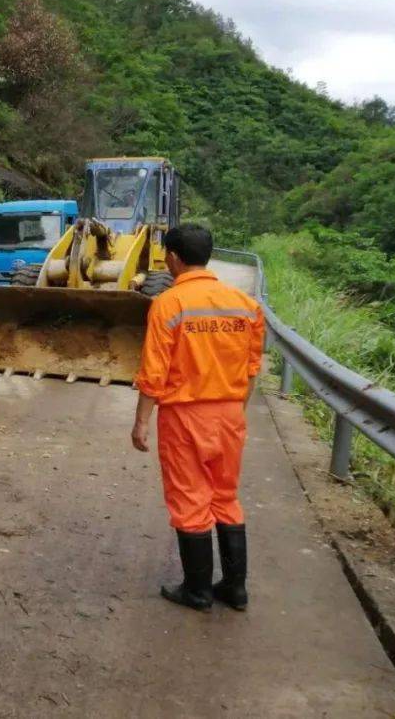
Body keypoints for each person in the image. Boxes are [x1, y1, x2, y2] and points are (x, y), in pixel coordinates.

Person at [131, 223, 265, 612]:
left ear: (172, 257)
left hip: (185, 415)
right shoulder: (245, 304)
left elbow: (154, 372)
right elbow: (252, 365)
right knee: (225, 497)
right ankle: (235, 589)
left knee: (191, 498)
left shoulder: (168, 305)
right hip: (229, 414)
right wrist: (236, 409)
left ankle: (197, 591)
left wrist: (141, 421)